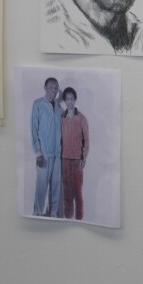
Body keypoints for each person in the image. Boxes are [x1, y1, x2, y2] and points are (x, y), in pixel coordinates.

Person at [30, 77, 62, 217]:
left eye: (55, 88)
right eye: (50, 87)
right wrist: (38, 153)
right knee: (41, 187)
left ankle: (53, 212)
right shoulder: (37, 104)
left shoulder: (59, 108)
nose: (53, 91)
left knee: (55, 186)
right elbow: (33, 129)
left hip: (57, 154)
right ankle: (37, 213)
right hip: (44, 154)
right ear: (45, 88)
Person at [60, 87, 89, 220]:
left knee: (77, 192)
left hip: (77, 160)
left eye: (72, 99)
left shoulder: (81, 118)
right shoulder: (62, 117)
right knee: (67, 192)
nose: (70, 102)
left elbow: (86, 140)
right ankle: (68, 217)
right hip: (64, 159)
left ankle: (79, 219)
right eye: (67, 99)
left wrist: (84, 157)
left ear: (75, 100)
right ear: (65, 100)